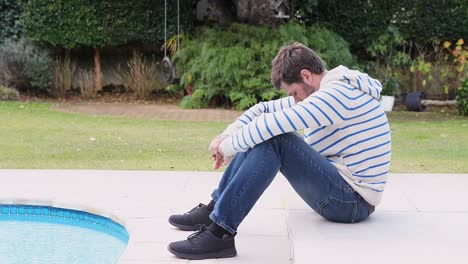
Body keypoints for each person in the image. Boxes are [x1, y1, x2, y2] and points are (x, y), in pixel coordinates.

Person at [167, 42, 391, 260]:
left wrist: (227, 149)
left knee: (275, 139)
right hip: (342, 192)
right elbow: (263, 110)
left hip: (352, 202)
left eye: (294, 93)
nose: (294, 99)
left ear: (306, 76)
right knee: (266, 134)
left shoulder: (336, 96)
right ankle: (215, 209)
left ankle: (220, 233)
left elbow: (272, 126)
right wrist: (227, 134)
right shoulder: (324, 90)